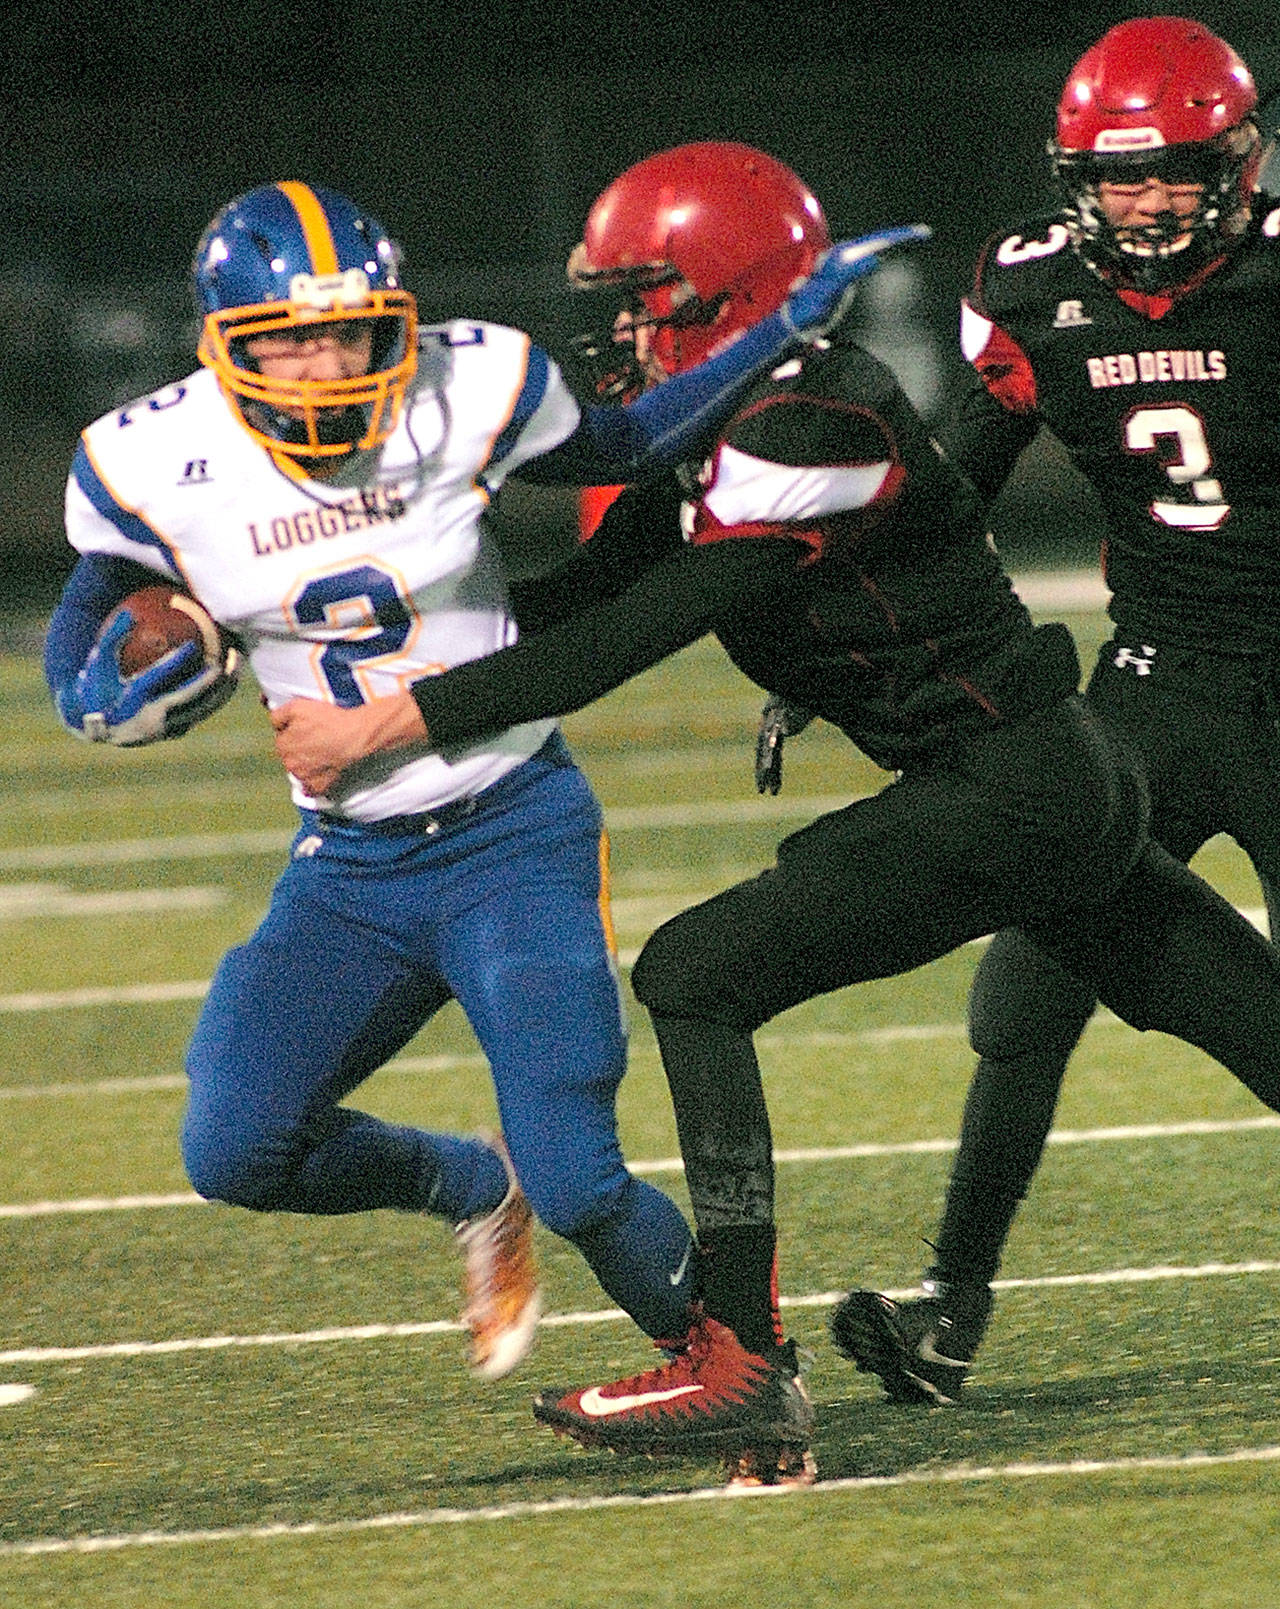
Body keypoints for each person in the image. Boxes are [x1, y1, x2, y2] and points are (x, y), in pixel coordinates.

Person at [266, 139, 1280, 1485]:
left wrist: (384, 722)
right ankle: (745, 1368)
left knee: (696, 974)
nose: (615, 330)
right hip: (1036, 783)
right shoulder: (726, 419)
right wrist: (355, 633)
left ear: (725, 300)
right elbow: (568, 599)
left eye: (640, 298)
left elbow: (620, 641)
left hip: (1019, 790)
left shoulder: (811, 425)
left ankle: (737, 1362)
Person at [43, 178, 899, 1396]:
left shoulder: (468, 385)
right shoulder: (149, 463)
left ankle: (743, 1378)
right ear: (225, 346)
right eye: (292, 338)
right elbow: (79, 651)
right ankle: (465, 1186)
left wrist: (784, 327)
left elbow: (630, 442)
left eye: (353, 331)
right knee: (232, 1147)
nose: (330, 364)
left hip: (513, 833)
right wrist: (116, 695)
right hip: (350, 869)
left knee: (581, 1177)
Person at [831, 14, 1280, 1408]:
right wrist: (834, 607)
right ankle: (947, 1314)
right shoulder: (1028, 288)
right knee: (1027, 987)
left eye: (1174, 173)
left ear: (1243, 160)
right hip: (1151, 683)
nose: (1144, 204)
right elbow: (964, 469)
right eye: (1116, 176)